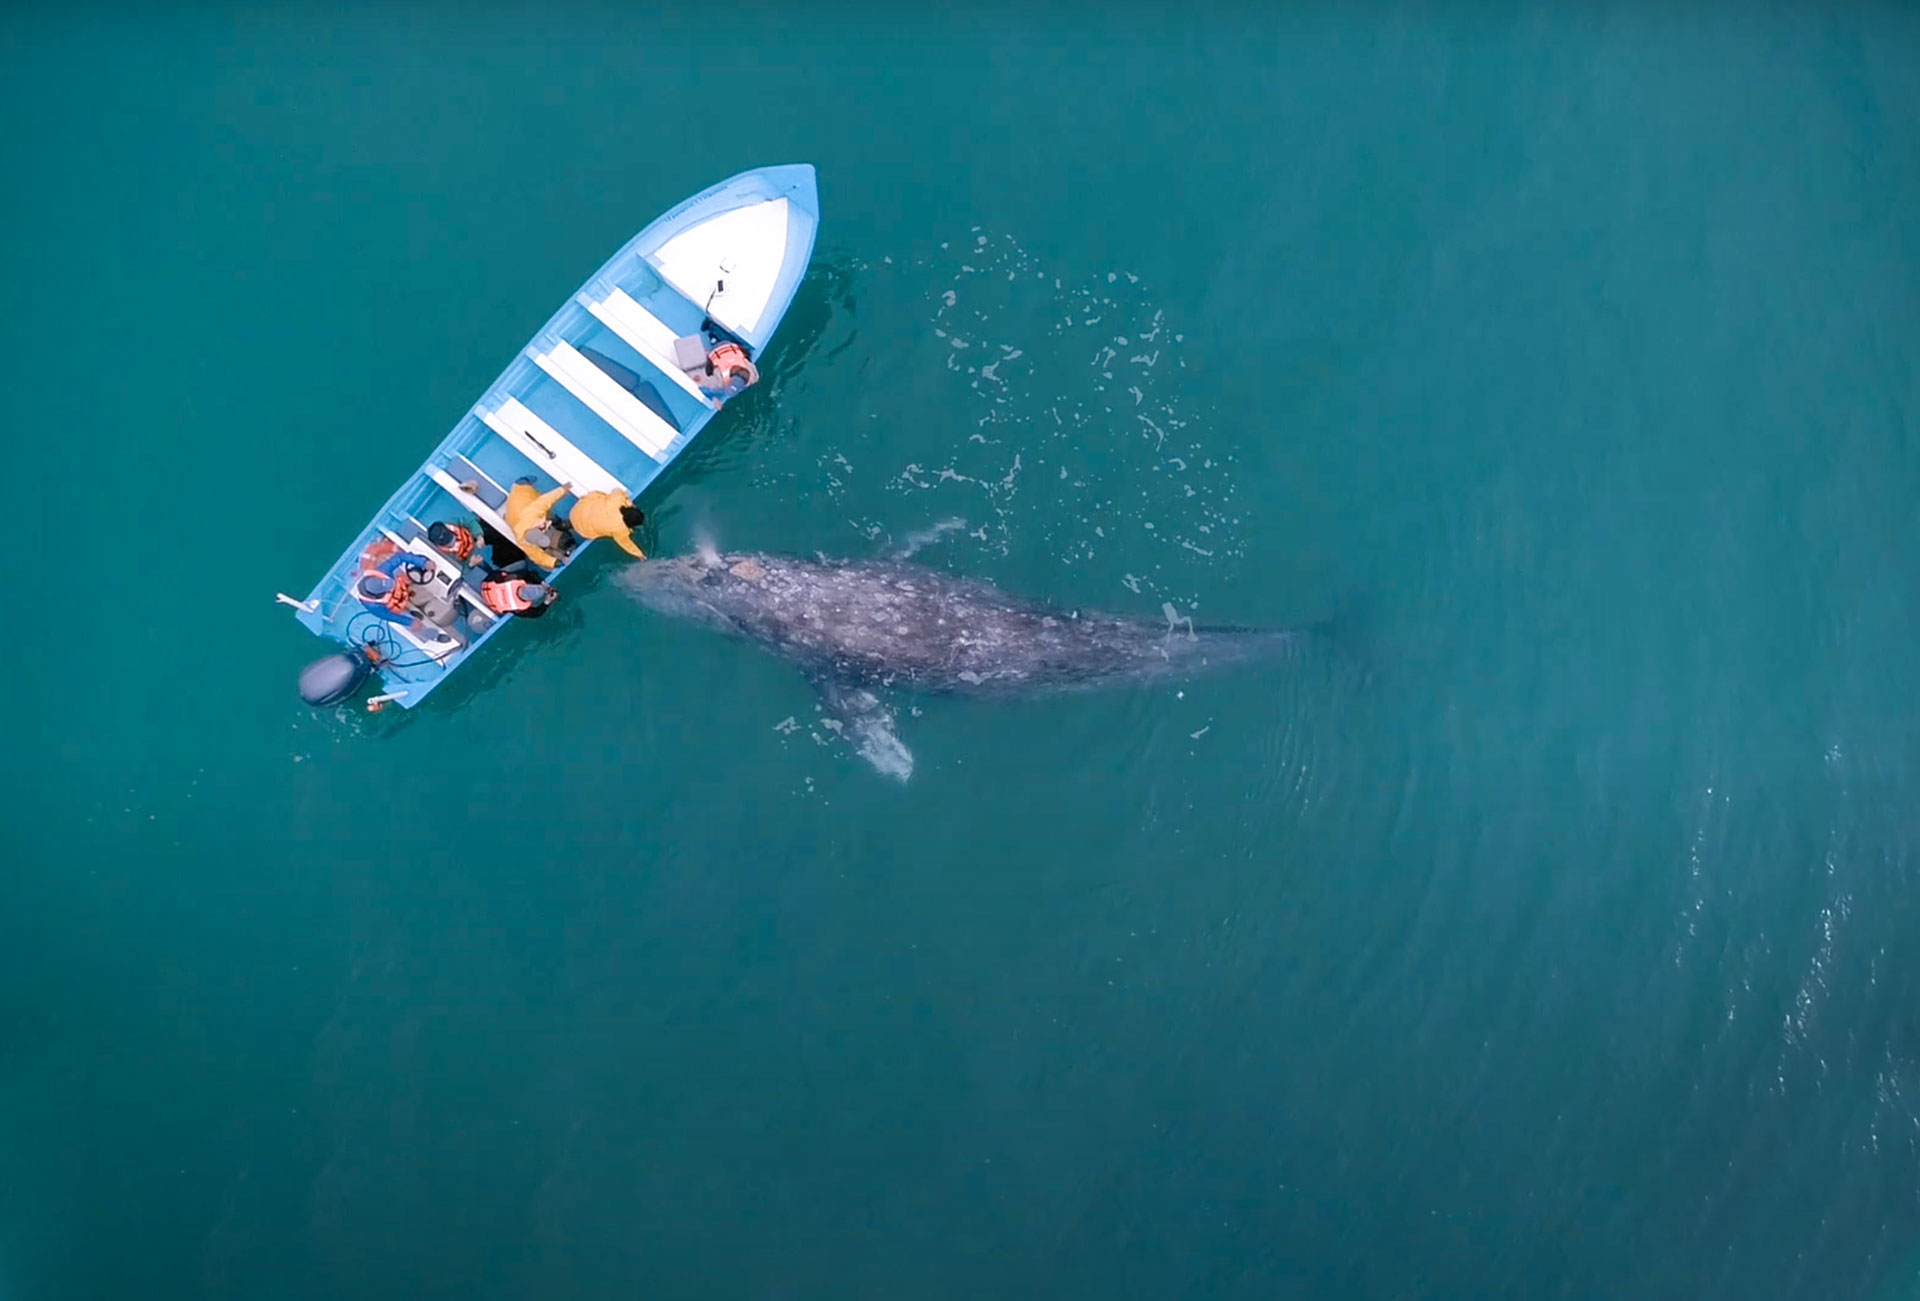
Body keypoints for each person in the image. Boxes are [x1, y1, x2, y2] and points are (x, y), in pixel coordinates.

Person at [503, 477, 577, 569]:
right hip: (515, 516)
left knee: (549, 514)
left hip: (522, 492)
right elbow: (537, 556)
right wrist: (554, 563)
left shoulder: (530, 514)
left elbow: (545, 501)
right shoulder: (523, 542)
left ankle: (522, 482)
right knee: (546, 513)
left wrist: (562, 491)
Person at [567, 489, 647, 559]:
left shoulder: (616, 502)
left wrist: (628, 502)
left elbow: (617, 490)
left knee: (604, 498)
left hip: (577, 509)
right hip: (582, 529)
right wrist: (640, 555)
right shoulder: (620, 530)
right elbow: (627, 544)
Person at [478, 567, 557, 620]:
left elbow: (527, 572)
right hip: (492, 602)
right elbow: (536, 614)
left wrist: (542, 583)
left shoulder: (512, 580)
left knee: (503, 574)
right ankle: (481, 565)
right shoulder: (518, 609)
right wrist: (547, 601)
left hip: (486, 587)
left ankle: (480, 564)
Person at [693, 341, 759, 403]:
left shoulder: (753, 376)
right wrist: (713, 397)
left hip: (729, 344)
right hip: (713, 351)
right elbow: (700, 381)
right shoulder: (719, 381)